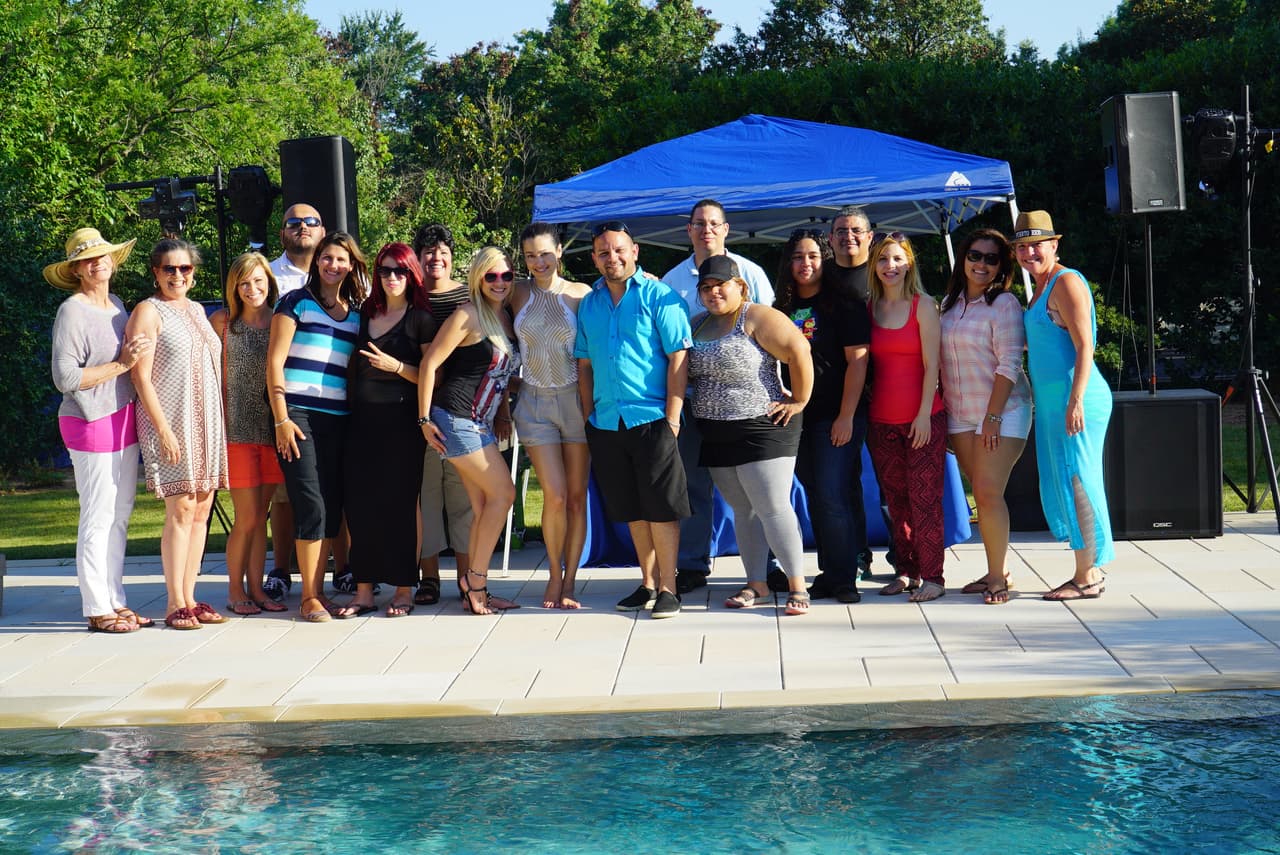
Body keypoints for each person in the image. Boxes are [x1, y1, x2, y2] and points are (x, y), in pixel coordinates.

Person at [575, 221, 692, 619]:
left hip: (653, 418)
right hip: (607, 423)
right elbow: (584, 365)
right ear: (595, 259)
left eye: (619, 250)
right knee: (633, 509)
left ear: (635, 251)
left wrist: (673, 419)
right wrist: (589, 416)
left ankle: (669, 588)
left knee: (661, 507)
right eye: (604, 252)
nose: (613, 258)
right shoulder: (589, 304)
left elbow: (678, 358)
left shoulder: (661, 297)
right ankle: (648, 583)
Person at [686, 255, 814, 615]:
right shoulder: (697, 324)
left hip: (763, 425)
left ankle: (797, 586)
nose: (713, 293)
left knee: (772, 507)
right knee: (743, 511)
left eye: (720, 285)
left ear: (739, 286)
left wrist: (800, 400)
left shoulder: (757, 316)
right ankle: (756, 583)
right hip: (716, 431)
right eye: (706, 287)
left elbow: (799, 350)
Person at [662, 199, 775, 595]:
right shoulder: (671, 282)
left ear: (726, 229)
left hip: (749, 404)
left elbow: (775, 334)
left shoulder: (751, 273)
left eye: (713, 223)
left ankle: (769, 564)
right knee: (693, 485)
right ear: (688, 230)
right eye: (699, 223)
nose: (706, 230)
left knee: (758, 486)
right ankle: (693, 564)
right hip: (694, 401)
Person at [47, 228, 153, 633]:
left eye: (102, 255)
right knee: (98, 515)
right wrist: (121, 365)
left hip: (122, 418)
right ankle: (96, 607)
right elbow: (65, 377)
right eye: (87, 259)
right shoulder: (71, 311)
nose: (97, 263)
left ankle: (115, 599)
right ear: (76, 270)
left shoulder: (118, 306)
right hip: (89, 420)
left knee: (120, 515)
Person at [126, 238, 229, 629]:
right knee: (181, 507)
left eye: (184, 268)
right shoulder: (148, 311)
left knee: (202, 507)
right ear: (156, 272)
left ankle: (190, 595)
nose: (178, 275)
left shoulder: (198, 309)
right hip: (172, 420)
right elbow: (140, 376)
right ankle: (174, 602)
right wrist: (164, 429)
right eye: (169, 268)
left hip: (206, 421)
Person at [266, 231, 366, 623]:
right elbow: (274, 363)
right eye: (327, 257)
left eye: (341, 259)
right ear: (317, 261)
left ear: (352, 265)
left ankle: (319, 591)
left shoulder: (356, 314)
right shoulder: (295, 302)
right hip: (297, 416)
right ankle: (309, 597)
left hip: (338, 419)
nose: (333, 265)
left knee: (331, 505)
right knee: (311, 503)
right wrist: (281, 418)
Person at [1014, 210, 1113, 600]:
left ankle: (1088, 576)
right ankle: (1087, 569)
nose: (1029, 253)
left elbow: (1086, 345)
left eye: (1037, 245)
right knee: (1068, 481)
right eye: (1022, 247)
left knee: (1079, 480)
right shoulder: (1039, 287)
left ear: (1054, 244)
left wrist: (1076, 401)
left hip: (1078, 399)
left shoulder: (1065, 281)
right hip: (1055, 403)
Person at [418, 247, 522, 616]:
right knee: (504, 495)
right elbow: (430, 364)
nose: (499, 282)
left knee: (483, 507)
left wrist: (505, 412)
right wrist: (423, 420)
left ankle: (476, 587)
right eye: (491, 275)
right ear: (478, 278)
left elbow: (500, 376)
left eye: (506, 275)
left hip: (482, 422)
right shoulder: (468, 314)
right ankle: (474, 583)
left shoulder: (505, 316)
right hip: (456, 419)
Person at [338, 243, 437, 618]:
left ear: (412, 275)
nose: (392, 277)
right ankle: (364, 591)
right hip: (360, 420)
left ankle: (403, 588)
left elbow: (433, 375)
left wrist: (396, 367)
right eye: (384, 270)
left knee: (401, 505)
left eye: (400, 270)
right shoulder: (365, 313)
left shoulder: (420, 318)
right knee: (360, 504)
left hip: (402, 422)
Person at [773, 229, 868, 604]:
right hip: (796, 417)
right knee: (815, 494)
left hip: (836, 414)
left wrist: (846, 416)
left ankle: (845, 579)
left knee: (833, 494)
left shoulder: (845, 304)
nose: (805, 263)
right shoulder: (780, 308)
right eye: (798, 256)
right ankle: (829, 574)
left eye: (813, 256)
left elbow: (858, 362)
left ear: (825, 260)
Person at [939, 229, 1033, 605]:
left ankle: (997, 579)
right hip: (960, 415)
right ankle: (999, 569)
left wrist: (992, 417)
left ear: (1001, 267)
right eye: (975, 255)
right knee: (981, 491)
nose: (981, 264)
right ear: (963, 258)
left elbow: (1009, 364)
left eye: (991, 259)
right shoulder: (948, 304)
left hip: (1003, 411)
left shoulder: (1005, 304)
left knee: (988, 492)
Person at [510, 222, 592, 609]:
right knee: (554, 496)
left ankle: (570, 580)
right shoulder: (516, 292)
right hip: (534, 402)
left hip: (575, 401)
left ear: (559, 251)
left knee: (576, 498)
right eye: (530, 256)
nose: (538, 262)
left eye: (545, 253)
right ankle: (553, 576)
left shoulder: (580, 293)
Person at [866, 233, 947, 603]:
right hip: (881, 421)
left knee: (925, 500)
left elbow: (933, 365)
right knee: (896, 501)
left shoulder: (924, 305)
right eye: (883, 259)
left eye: (897, 258)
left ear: (909, 263)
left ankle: (933, 577)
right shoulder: (870, 307)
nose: (890, 266)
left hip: (923, 419)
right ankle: (907, 571)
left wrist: (924, 415)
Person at [210, 253, 287, 616]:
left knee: (262, 516)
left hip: (272, 432)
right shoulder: (222, 322)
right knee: (247, 518)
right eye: (244, 283)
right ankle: (234, 590)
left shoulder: (281, 321)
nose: (252, 289)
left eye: (258, 281)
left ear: (269, 281)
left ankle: (257, 589)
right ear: (234, 287)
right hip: (236, 432)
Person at [411, 223, 477, 607]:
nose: (436, 258)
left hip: (462, 411)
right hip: (417, 414)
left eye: (443, 252)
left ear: (453, 258)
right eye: (428, 252)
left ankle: (469, 578)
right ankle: (429, 578)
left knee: (463, 497)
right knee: (426, 497)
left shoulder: (469, 297)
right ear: (418, 258)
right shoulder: (410, 297)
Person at [263, 202, 325, 600]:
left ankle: (343, 568)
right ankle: (281, 569)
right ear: (282, 232)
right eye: (294, 222)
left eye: (311, 222)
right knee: (285, 491)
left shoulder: (338, 271)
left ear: (323, 230)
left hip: (332, 394)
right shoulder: (268, 275)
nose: (303, 227)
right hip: (284, 397)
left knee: (331, 486)